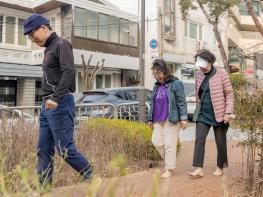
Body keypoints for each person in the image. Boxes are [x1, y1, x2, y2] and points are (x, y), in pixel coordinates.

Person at [23, 14, 93, 185]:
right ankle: (44, 189)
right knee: (44, 148)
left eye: (32, 34)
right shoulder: (49, 48)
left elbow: (69, 72)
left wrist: (56, 98)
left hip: (59, 103)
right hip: (47, 105)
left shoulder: (61, 44)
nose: (32, 39)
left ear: (43, 28)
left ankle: (93, 177)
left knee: (65, 149)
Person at [188, 49, 234, 178]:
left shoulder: (221, 74)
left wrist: (228, 112)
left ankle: (220, 166)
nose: (201, 68)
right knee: (199, 139)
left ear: (209, 62)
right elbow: (199, 93)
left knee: (220, 142)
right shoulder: (199, 74)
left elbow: (229, 94)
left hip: (219, 114)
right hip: (203, 113)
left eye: (202, 65)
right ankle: (199, 168)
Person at [148, 59, 188, 178]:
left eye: (159, 73)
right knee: (157, 142)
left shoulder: (175, 83)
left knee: (169, 144)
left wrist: (184, 118)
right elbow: (153, 103)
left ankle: (169, 169)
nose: (157, 76)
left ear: (165, 72)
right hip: (157, 119)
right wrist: (150, 119)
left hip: (171, 118)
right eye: (155, 74)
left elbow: (181, 101)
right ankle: (169, 161)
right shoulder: (156, 86)